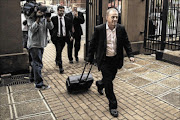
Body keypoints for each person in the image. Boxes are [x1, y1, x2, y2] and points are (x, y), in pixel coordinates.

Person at [87, 8, 135, 117]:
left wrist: (130, 55)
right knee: (109, 82)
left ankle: (100, 84)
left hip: (115, 60)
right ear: (107, 17)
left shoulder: (121, 29)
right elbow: (93, 44)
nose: (115, 19)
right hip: (104, 60)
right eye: (112, 17)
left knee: (110, 78)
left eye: (116, 17)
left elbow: (126, 42)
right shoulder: (99, 29)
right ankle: (113, 105)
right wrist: (90, 58)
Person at [27, 6, 54, 89]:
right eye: (42, 12)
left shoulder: (45, 19)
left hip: (41, 44)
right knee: (38, 64)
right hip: (34, 45)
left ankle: (32, 78)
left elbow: (51, 27)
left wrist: (48, 19)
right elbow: (32, 29)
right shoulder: (30, 18)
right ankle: (39, 84)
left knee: (35, 63)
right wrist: (38, 19)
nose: (43, 13)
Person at [50, 6, 72, 74]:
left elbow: (69, 28)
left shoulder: (67, 19)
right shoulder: (54, 19)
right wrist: (52, 35)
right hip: (57, 38)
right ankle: (60, 67)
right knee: (59, 51)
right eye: (60, 11)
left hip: (64, 38)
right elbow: (50, 28)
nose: (61, 12)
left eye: (63, 11)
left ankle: (57, 59)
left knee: (59, 50)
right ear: (57, 11)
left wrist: (71, 36)